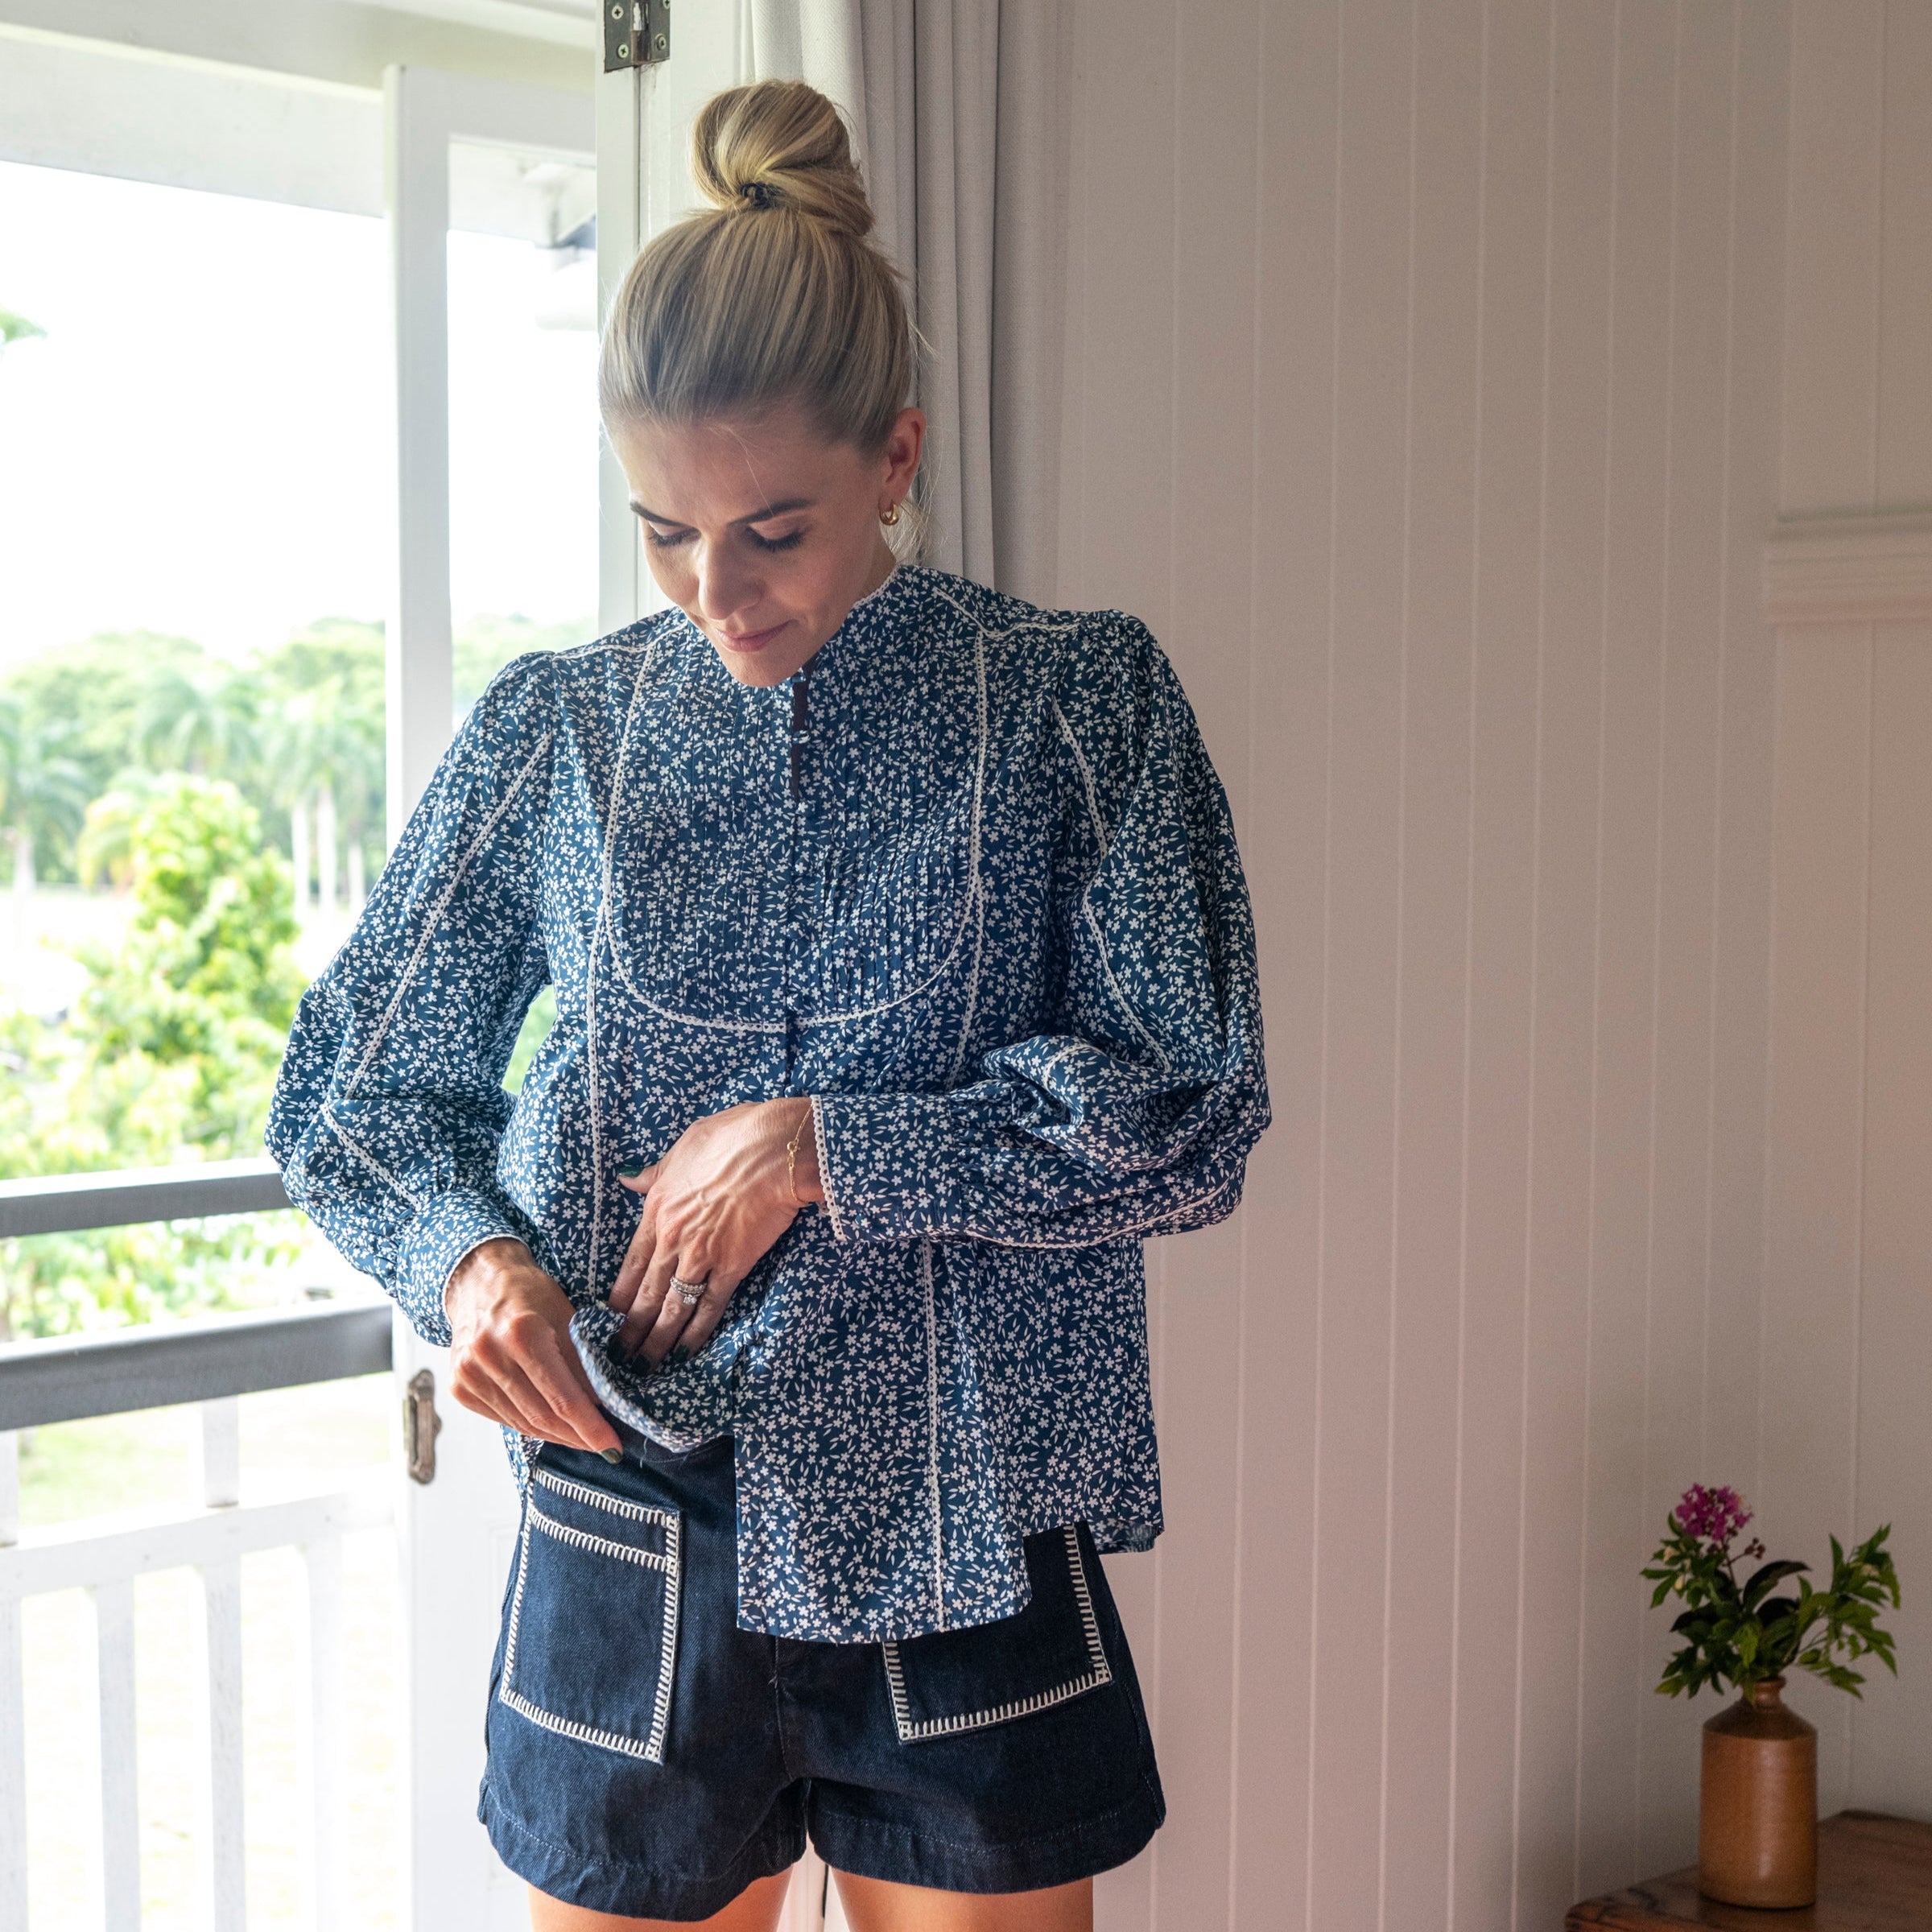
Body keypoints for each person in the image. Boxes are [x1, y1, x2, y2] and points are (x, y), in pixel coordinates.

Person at [268, 77, 1268, 1932]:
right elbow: (349, 1093)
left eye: (774, 530)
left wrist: (826, 1151)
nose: (716, 595)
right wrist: (475, 1270)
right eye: (664, 532)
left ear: (896, 457)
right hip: (629, 1535)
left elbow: (1190, 1116)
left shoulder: (1080, 708)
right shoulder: (556, 735)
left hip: (967, 1534)